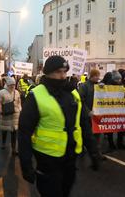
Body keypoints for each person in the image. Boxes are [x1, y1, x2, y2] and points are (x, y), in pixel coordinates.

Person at [18, 56, 84, 197]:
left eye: (65, 71)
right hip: (47, 161)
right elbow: (24, 133)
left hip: (70, 158)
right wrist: (26, 165)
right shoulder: (36, 95)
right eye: (58, 72)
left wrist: (93, 149)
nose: (63, 76)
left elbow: (83, 121)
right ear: (47, 73)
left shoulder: (72, 93)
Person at [78, 69, 103, 169]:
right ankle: (92, 155)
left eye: (98, 76)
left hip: (97, 115)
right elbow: (81, 101)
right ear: (91, 76)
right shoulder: (84, 86)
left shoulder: (99, 86)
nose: (97, 77)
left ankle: (97, 154)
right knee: (89, 137)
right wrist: (88, 112)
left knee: (97, 135)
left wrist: (103, 87)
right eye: (96, 76)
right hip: (87, 116)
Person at [0, 77, 21, 155]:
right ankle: (3, 143)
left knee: (14, 133)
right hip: (6, 115)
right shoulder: (2, 92)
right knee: (4, 131)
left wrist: (20, 109)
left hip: (15, 115)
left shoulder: (17, 92)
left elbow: (19, 102)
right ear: (7, 84)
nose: (12, 86)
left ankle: (14, 149)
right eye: (11, 84)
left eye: (14, 84)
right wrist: (0, 110)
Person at [105, 70, 125, 150]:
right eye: (117, 79)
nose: (119, 81)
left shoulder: (121, 85)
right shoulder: (107, 86)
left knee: (121, 128)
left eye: (120, 79)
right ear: (113, 79)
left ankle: (120, 143)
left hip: (120, 110)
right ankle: (111, 144)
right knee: (110, 128)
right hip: (110, 110)